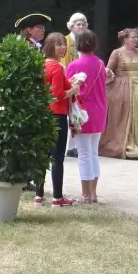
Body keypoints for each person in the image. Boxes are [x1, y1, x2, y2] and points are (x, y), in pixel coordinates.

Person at [100, 28, 138, 160]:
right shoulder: (117, 53)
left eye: (136, 37)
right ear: (125, 39)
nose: (136, 39)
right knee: (123, 113)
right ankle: (125, 144)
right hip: (121, 86)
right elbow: (109, 69)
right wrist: (109, 73)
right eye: (133, 37)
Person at [67, 29, 108, 203]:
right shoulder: (100, 63)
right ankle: (93, 193)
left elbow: (69, 90)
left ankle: (85, 195)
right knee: (93, 153)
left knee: (83, 153)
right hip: (100, 110)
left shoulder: (74, 66)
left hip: (82, 112)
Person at [36, 32, 74, 207]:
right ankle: (57, 197)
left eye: (64, 44)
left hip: (43, 114)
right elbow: (57, 94)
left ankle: (39, 195)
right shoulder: (57, 68)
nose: (63, 47)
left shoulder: (42, 65)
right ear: (51, 46)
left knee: (42, 155)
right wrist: (74, 90)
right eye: (59, 44)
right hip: (57, 114)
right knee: (57, 157)